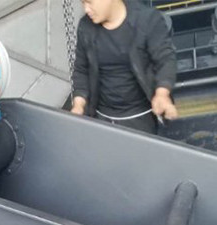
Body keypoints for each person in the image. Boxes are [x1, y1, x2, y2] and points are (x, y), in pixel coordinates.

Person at [71, 0, 178, 134]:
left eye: (89, 2)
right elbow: (81, 70)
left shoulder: (147, 20)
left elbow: (165, 59)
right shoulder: (85, 27)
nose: (86, 9)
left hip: (140, 117)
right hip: (101, 117)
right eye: (83, 3)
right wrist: (79, 105)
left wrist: (162, 94)